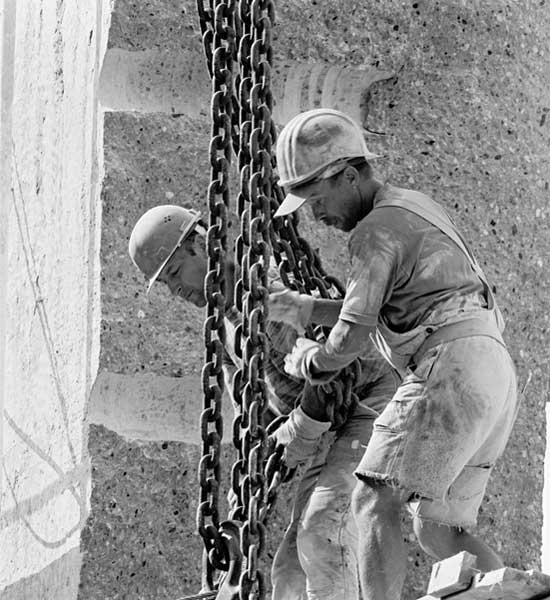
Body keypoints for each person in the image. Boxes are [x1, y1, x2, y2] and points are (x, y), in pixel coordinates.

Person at [269, 108, 520, 600]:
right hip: (489, 368)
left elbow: (355, 336)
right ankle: (522, 591)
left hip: (448, 367)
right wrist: (308, 307)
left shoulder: (372, 231)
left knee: (371, 496)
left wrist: (310, 361)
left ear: (347, 175)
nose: (316, 217)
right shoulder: (411, 207)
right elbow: (399, 300)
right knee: (440, 532)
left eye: (317, 200)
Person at [128, 204, 398, 600]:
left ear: (201, 245)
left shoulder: (269, 283)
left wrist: (301, 427)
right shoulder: (222, 327)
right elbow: (248, 414)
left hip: (369, 405)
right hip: (327, 430)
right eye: (165, 284)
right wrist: (242, 504)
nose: (176, 290)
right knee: (290, 568)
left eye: (173, 274)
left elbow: (328, 364)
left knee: (324, 529)